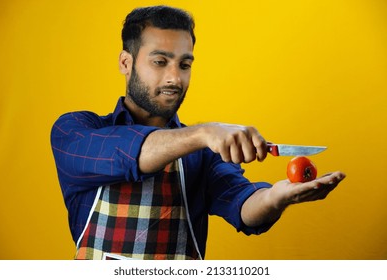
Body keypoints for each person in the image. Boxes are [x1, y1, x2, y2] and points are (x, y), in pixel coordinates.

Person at [50, 5, 345, 260]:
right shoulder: (76, 131)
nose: (175, 78)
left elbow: (242, 204)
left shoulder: (202, 155)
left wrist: (275, 198)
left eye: (185, 64)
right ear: (126, 63)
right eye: (160, 61)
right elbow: (126, 152)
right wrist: (204, 132)